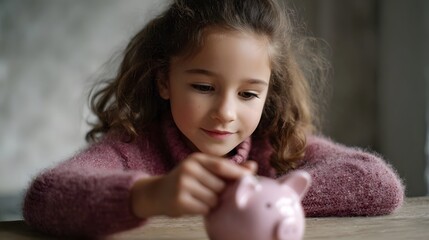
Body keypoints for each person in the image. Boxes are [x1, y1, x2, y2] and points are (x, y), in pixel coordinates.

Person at [23, 0, 404, 237]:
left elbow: (378, 183)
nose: (225, 112)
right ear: (164, 81)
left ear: (269, 94)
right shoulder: (133, 149)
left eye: (248, 94)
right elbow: (46, 196)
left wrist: (264, 200)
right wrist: (150, 196)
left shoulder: (276, 146)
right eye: (204, 87)